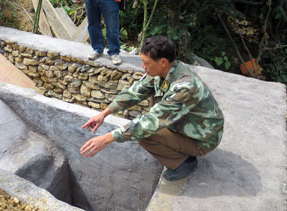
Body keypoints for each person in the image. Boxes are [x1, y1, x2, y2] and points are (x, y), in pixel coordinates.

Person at [80, 36, 224, 181]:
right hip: (189, 125)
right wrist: (104, 114)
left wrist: (106, 139)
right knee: (150, 107)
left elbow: (150, 122)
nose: (143, 66)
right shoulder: (164, 71)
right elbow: (135, 92)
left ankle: (184, 163)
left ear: (162, 62)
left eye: (146, 62)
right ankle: (178, 146)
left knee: (144, 134)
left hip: (202, 139)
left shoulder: (184, 87)